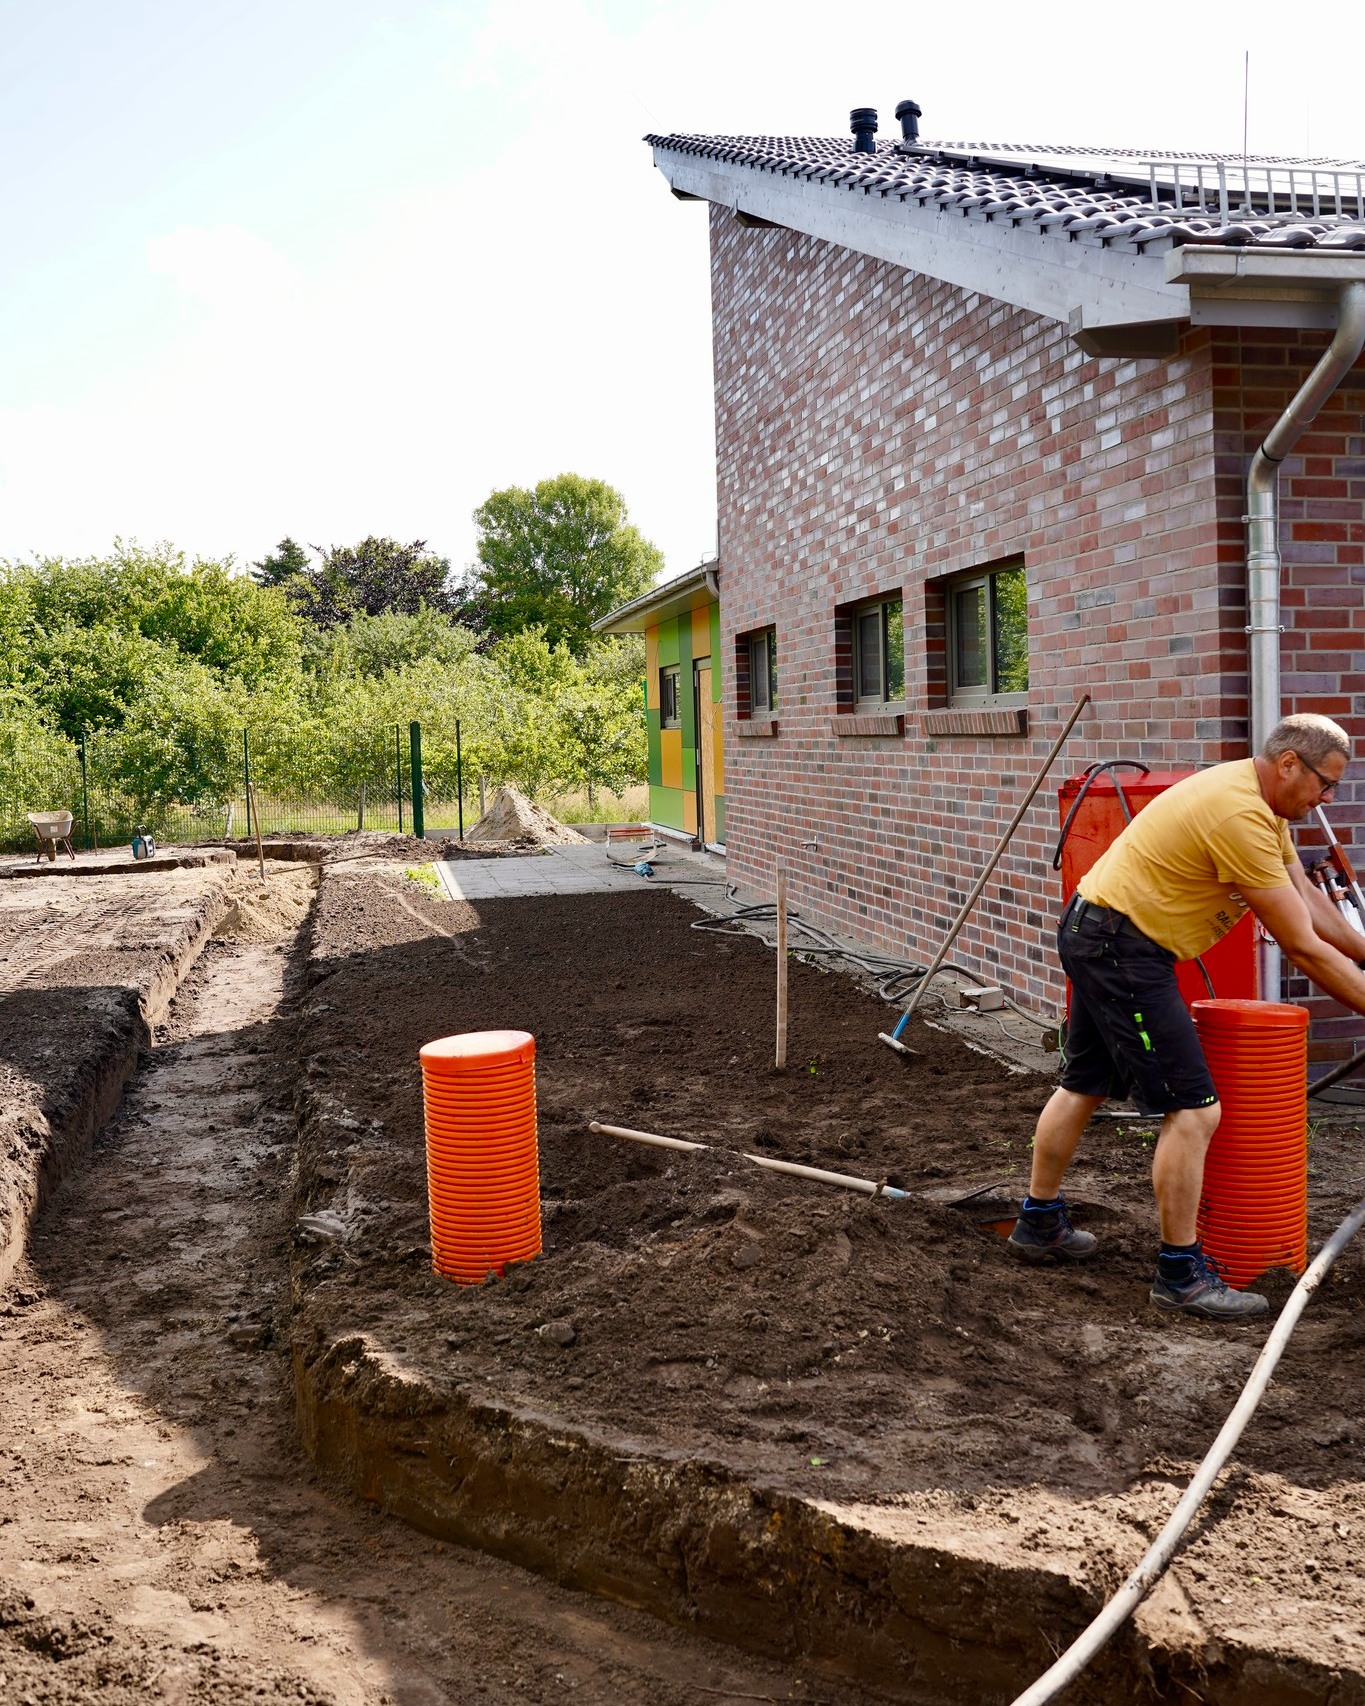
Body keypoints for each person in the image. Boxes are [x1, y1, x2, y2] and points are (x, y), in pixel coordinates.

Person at [1009, 713, 1365, 1320]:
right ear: (1288, 765)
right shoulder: (1240, 814)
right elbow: (1302, 945)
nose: (1328, 797)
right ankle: (1179, 1274)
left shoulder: (1261, 803)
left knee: (1085, 1082)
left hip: (1102, 931)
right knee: (1196, 1109)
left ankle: (1038, 1223)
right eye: (1325, 784)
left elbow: (1310, 906)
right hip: (1119, 945)